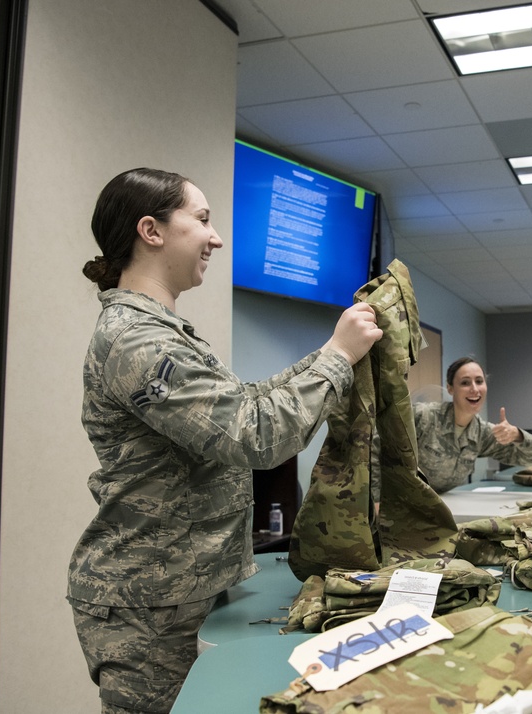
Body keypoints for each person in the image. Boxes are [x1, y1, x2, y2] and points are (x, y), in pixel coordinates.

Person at [67, 168, 382, 714]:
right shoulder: (136, 340)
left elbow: (248, 403)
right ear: (152, 230)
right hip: (147, 605)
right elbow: (254, 434)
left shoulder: (163, 332)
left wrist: (334, 352)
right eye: (203, 220)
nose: (215, 237)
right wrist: (337, 357)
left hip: (181, 591)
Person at [413, 357, 532, 493]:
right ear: (450, 388)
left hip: (441, 503)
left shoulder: (482, 433)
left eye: (479, 381)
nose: (474, 389)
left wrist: (518, 435)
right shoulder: (424, 416)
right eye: (465, 383)